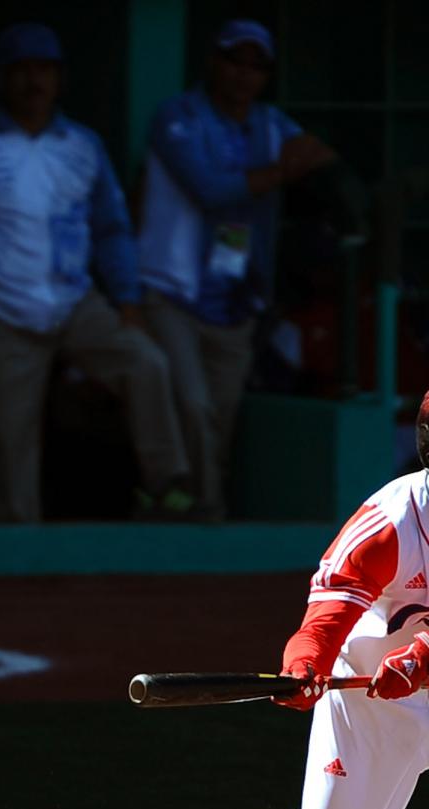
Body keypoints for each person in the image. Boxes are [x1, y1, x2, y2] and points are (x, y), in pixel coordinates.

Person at [0, 21, 192, 524]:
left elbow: (112, 227)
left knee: (146, 364)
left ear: (59, 79)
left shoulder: (81, 144)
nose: (34, 82)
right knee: (9, 434)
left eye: (45, 71)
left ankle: (168, 488)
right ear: (4, 78)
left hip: (75, 300)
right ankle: (17, 546)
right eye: (23, 70)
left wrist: (125, 301)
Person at [239, 390, 429, 809]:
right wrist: (306, 666)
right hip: (374, 706)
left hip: (409, 676)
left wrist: (423, 658)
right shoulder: (392, 521)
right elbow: (328, 610)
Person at [138, 18, 336, 520]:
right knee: (193, 405)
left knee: (220, 419)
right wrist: (282, 170)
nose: (245, 74)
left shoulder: (270, 123)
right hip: (174, 287)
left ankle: (185, 507)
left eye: (257, 66)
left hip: (236, 296)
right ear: (213, 62)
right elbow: (210, 189)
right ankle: (200, 512)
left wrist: (293, 163)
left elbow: (321, 156)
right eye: (235, 60)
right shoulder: (177, 115)